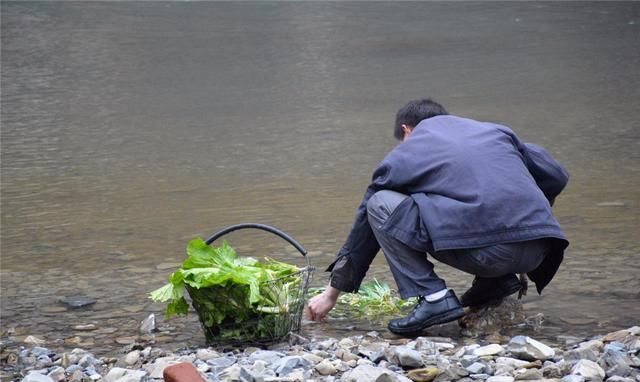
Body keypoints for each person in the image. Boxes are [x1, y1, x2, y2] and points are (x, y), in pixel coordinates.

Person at [307, 99, 569, 335]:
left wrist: (332, 293)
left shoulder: (409, 151)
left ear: (407, 130)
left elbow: (366, 222)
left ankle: (434, 298)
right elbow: (555, 175)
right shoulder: (495, 131)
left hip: (490, 256)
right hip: (540, 252)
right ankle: (495, 284)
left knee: (380, 203)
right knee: (454, 203)